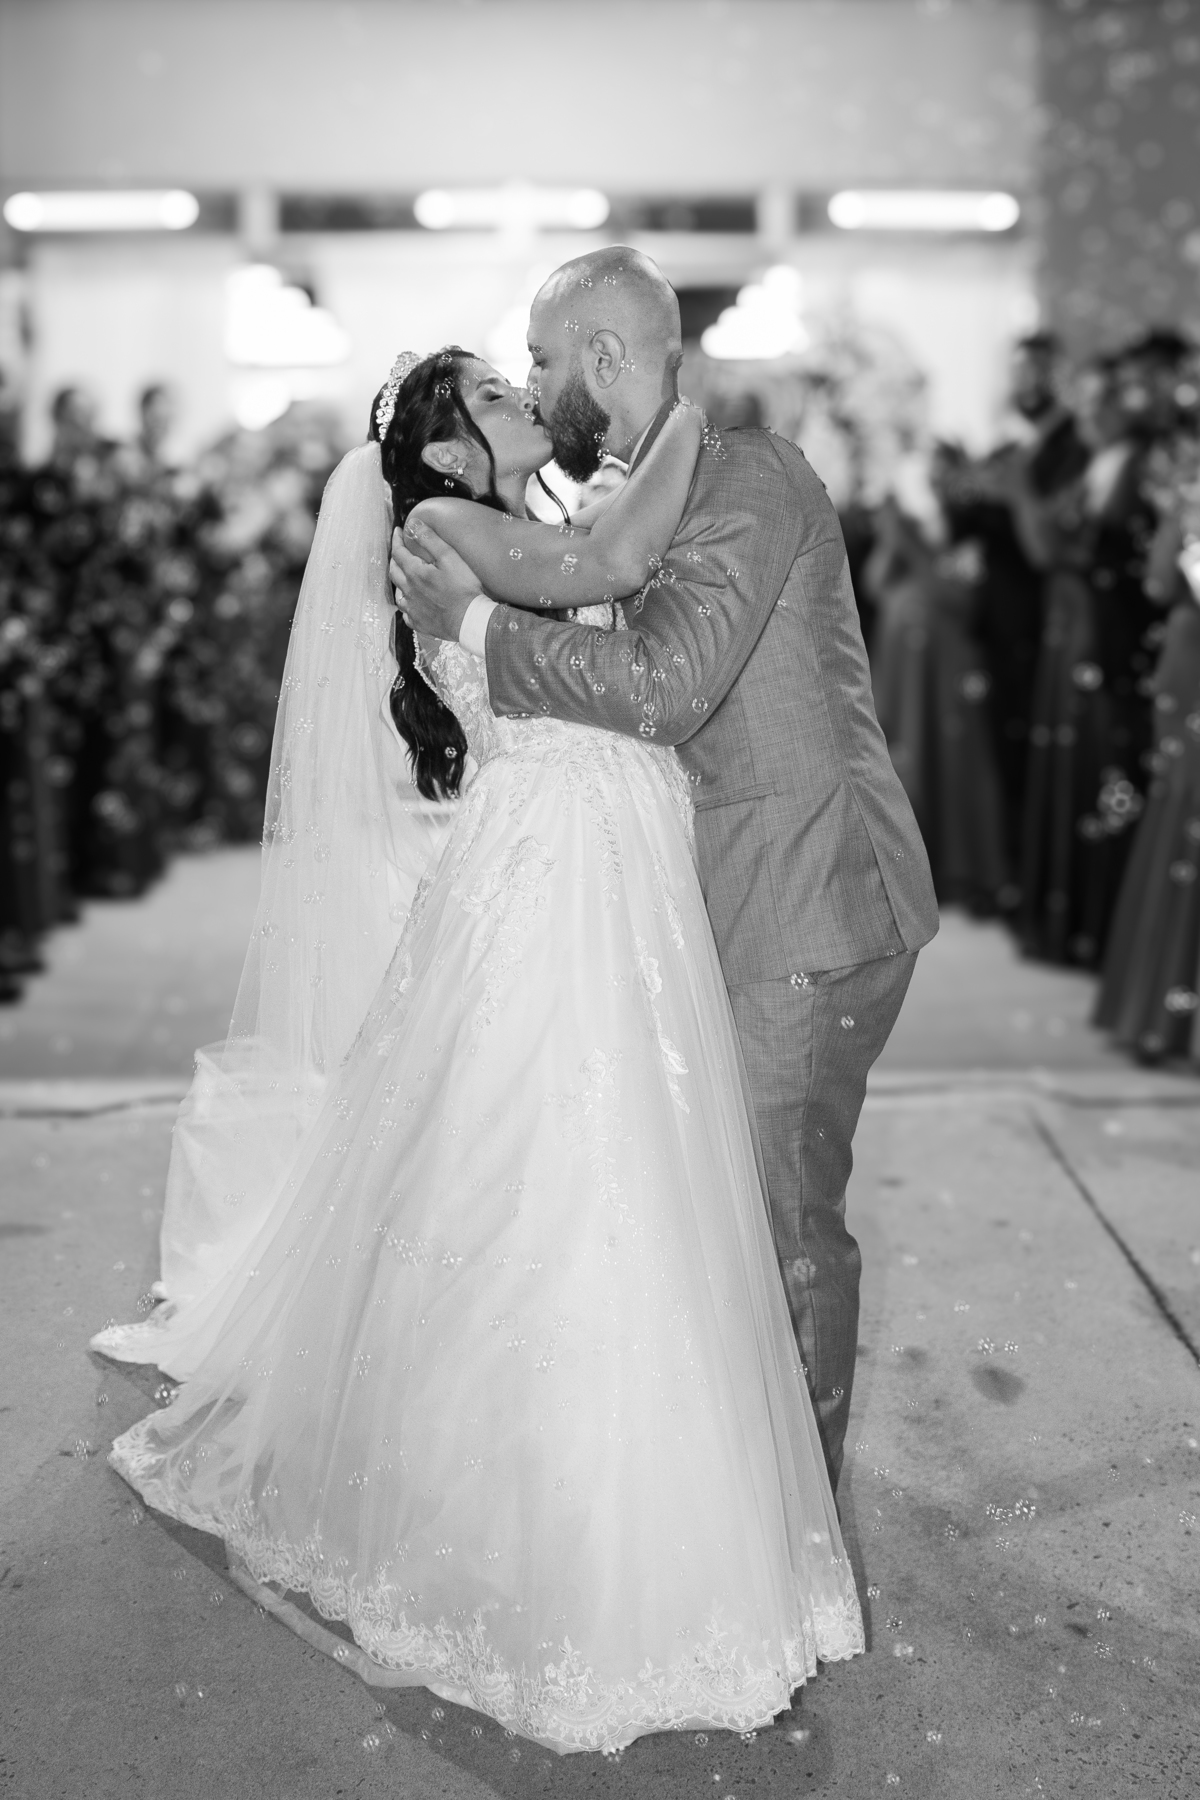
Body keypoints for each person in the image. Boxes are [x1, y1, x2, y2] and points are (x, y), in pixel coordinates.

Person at [99, 345, 864, 1753]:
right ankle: (531, 1524)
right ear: (450, 451)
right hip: (556, 872)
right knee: (549, 1168)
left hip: (620, 866)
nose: (528, 398)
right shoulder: (447, 526)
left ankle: (659, 1497)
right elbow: (618, 563)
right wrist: (683, 412)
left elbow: (623, 595)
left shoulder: (535, 524)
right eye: (502, 396)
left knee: (643, 1170)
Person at [392, 247, 939, 1493]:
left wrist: (473, 625)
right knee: (703, 1217)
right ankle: (736, 1494)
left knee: (783, 1227)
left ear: (600, 357)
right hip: (709, 896)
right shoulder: (642, 488)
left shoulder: (744, 474)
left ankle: (799, 1525)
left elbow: (664, 687)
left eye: (541, 360)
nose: (534, 384)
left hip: (802, 899)